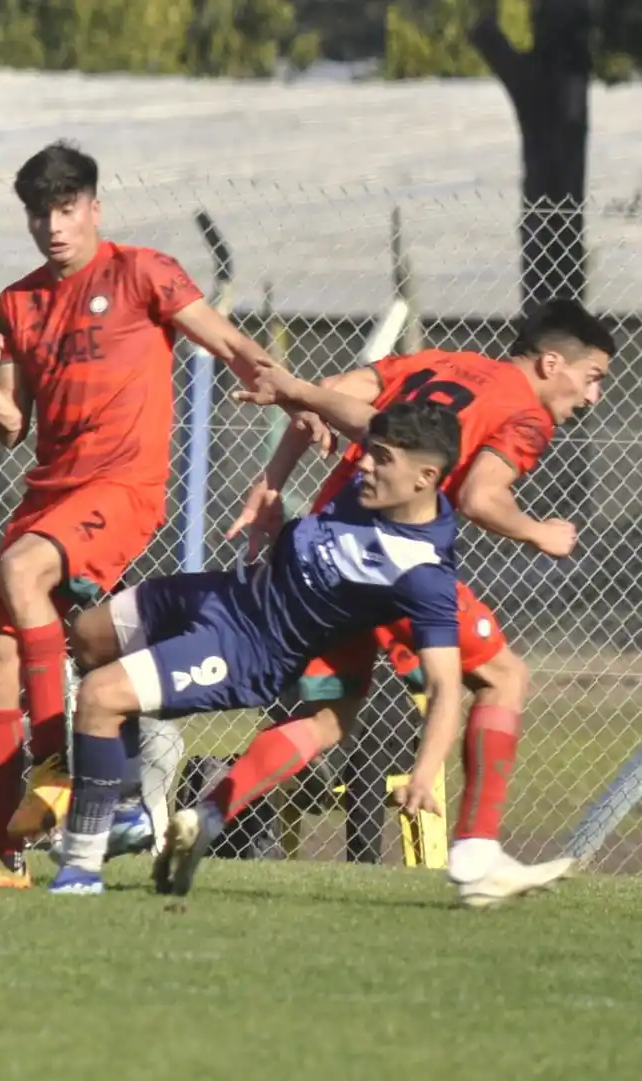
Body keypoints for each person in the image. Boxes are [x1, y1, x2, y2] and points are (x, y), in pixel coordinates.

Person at [0, 140, 323, 890]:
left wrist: (294, 394)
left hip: (121, 487)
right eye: (39, 215)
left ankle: (55, 759)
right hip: (50, 492)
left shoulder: (142, 272)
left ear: (94, 207)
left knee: (22, 571)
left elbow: (227, 340)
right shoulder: (18, 302)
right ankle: (4, 857)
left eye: (66, 210)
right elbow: (10, 426)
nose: (54, 227)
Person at [190, 299, 612, 905]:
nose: (593, 396)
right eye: (592, 378)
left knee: (330, 717)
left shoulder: (443, 360)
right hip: (398, 561)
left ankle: (204, 816)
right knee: (503, 676)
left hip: (327, 550)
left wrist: (273, 480)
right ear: (552, 363)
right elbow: (480, 497)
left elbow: (325, 391)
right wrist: (537, 530)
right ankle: (476, 852)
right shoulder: (525, 415)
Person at [47, 401, 470, 896]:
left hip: (247, 647)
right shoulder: (382, 486)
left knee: (99, 696)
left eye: (380, 458)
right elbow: (333, 403)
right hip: (225, 591)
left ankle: (80, 867)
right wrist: (296, 409)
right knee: (89, 636)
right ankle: (127, 806)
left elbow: (446, 687)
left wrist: (423, 772)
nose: (364, 464)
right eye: (369, 451)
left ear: (424, 478)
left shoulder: (421, 572)